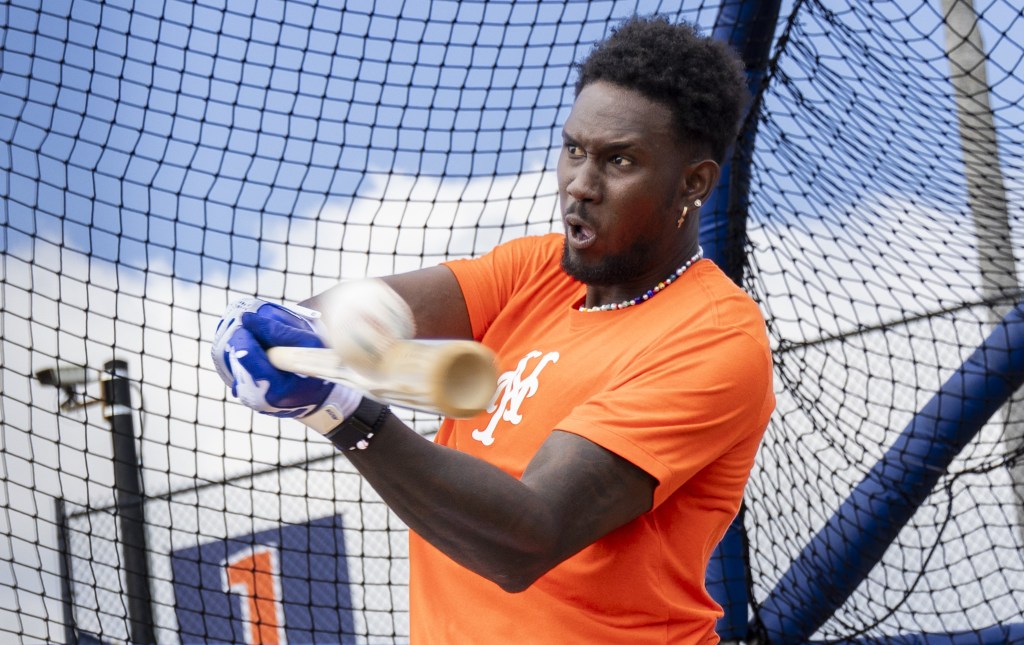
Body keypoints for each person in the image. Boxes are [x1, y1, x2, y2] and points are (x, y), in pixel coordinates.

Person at [212, 15, 774, 644]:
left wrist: (346, 415)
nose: (580, 186)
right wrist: (291, 328)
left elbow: (526, 540)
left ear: (693, 183)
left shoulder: (714, 340)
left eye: (620, 161)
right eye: (574, 150)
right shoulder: (535, 269)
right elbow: (360, 311)